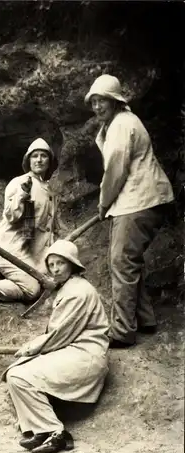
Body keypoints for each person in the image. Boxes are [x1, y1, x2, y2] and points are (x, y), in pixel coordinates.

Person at [85, 74, 175, 348]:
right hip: (137, 201)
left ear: (116, 101)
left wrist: (103, 203)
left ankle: (123, 331)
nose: (98, 107)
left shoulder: (122, 125)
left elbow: (116, 170)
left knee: (121, 262)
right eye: (94, 102)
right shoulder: (117, 124)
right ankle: (145, 319)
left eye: (103, 101)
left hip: (139, 200)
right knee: (128, 261)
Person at [3, 240, 109, 453]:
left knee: (20, 375)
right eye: (51, 265)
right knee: (15, 375)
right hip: (71, 350)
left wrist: (32, 348)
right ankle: (43, 430)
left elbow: (61, 334)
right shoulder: (70, 287)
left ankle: (57, 433)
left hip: (85, 356)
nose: (55, 269)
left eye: (61, 263)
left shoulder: (78, 292)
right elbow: (60, 334)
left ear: (72, 264)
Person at [0, 138, 61, 303]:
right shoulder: (19, 182)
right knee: (32, 290)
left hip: (34, 254)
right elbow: (12, 216)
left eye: (43, 156)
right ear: (28, 160)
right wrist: (23, 195)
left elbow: (52, 229)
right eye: (34, 156)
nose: (39, 160)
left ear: (49, 161)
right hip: (11, 250)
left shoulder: (50, 192)